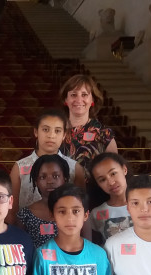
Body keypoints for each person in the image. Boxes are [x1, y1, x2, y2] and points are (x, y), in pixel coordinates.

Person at [10, 108, 85, 220]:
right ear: (36, 132)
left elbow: (81, 207)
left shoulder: (74, 168)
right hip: (25, 227)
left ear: (64, 135)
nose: (51, 135)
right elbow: (11, 209)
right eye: (45, 129)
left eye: (57, 131)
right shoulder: (20, 167)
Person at [59, 74, 117, 208]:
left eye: (84, 94)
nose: (79, 99)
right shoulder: (56, 131)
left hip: (96, 199)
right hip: (61, 198)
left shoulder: (104, 134)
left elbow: (114, 172)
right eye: (73, 95)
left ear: (92, 100)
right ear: (66, 100)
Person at [16, 154, 69, 249]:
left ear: (64, 178)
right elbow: (20, 249)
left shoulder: (77, 210)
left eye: (56, 176)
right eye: (42, 177)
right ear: (36, 182)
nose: (49, 181)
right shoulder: (25, 214)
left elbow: (87, 247)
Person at [88, 153, 132, 245]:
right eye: (102, 180)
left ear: (124, 169)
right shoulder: (97, 214)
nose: (111, 182)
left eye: (113, 173)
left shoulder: (145, 205)